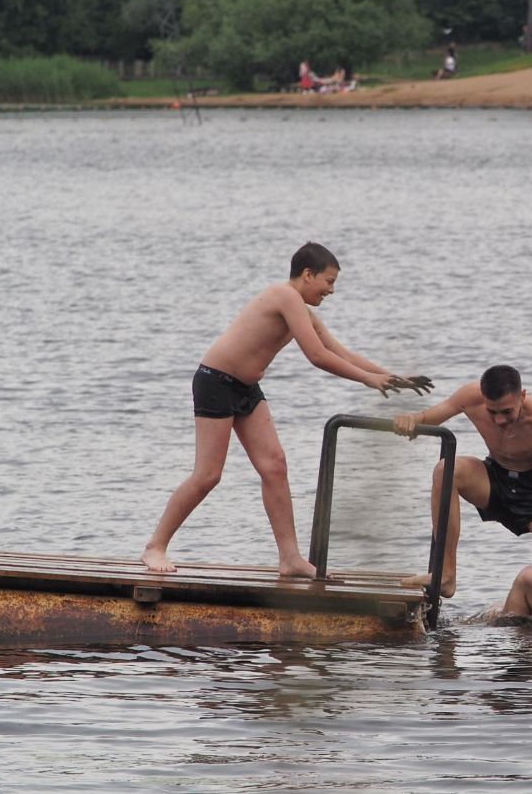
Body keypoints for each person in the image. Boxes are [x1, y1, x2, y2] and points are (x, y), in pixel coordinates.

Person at [142, 242, 432, 576]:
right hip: (216, 382)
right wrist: (369, 381)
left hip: (246, 388)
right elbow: (317, 356)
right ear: (308, 275)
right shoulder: (284, 296)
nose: (332, 290)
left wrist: (393, 377)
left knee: (275, 466)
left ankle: (290, 558)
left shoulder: (302, 310)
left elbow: (340, 352)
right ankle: (155, 546)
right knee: (208, 475)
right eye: (329, 281)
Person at [392, 365, 532, 597]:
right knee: (445, 470)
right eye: (492, 412)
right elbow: (429, 416)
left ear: (522, 396)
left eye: (506, 411)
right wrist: (411, 419)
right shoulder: (470, 396)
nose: (499, 420)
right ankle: (446, 576)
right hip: (494, 478)